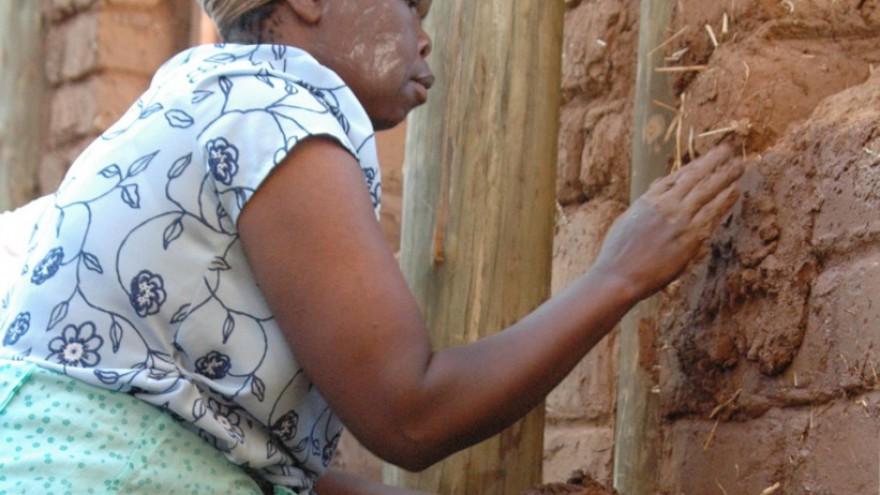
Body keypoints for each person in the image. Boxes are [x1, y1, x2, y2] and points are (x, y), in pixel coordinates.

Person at [0, 0, 743, 494]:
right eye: (409, 4)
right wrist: (618, 273)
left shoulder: (200, 93)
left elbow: (244, 451)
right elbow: (409, 415)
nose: (424, 37)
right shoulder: (272, 112)